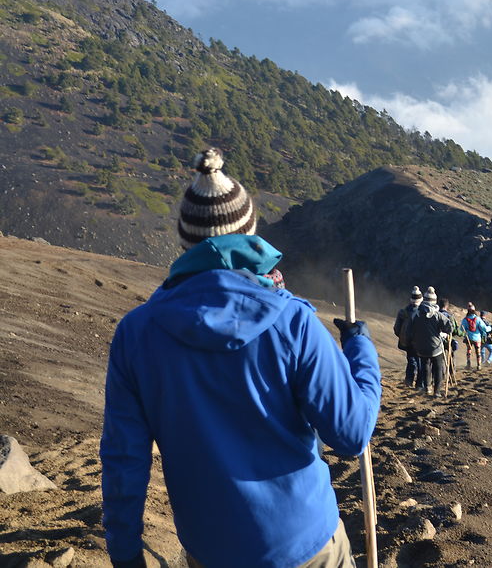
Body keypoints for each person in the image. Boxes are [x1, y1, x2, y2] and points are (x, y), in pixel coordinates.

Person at [101, 148, 381, 568]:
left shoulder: (136, 334)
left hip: (211, 550)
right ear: (251, 234)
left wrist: (125, 554)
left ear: (184, 241)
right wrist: (360, 349)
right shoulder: (294, 322)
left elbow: (125, 458)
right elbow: (352, 434)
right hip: (306, 544)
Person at [407, 286, 450, 397]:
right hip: (436, 347)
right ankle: (437, 391)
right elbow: (449, 328)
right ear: (434, 301)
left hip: (421, 347)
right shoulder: (437, 315)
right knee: (438, 368)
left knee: (425, 366)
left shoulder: (415, 314)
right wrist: (442, 333)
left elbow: (410, 329)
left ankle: (427, 388)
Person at [393, 286, 423, 388]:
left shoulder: (403, 311)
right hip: (420, 341)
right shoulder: (423, 312)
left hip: (407, 342)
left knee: (411, 361)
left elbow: (396, 328)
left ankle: (409, 381)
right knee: (420, 362)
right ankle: (419, 385)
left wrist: (402, 337)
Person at [461, 303, 488, 370]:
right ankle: (479, 365)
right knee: (478, 351)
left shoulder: (465, 319)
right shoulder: (478, 319)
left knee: (469, 350)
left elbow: (461, 329)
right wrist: (490, 328)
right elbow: (484, 328)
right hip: (477, 338)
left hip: (468, 337)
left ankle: (468, 364)